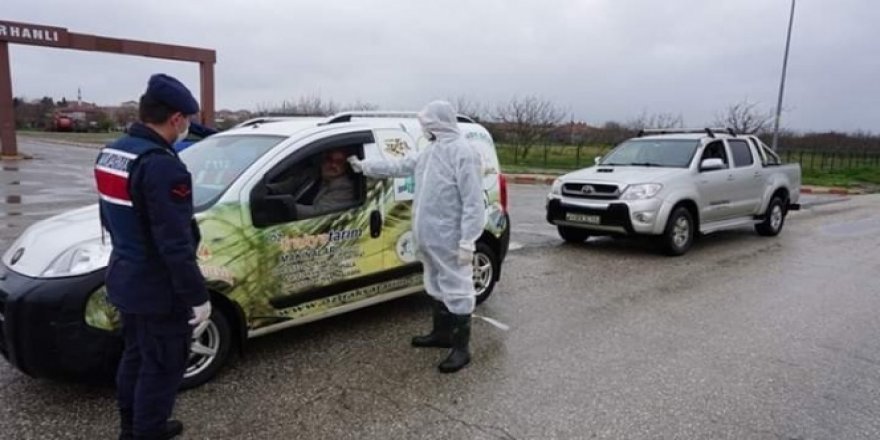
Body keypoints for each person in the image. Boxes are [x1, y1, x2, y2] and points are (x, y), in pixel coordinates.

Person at [94, 74, 211, 440]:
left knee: (135, 358)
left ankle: (132, 429)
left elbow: (109, 217)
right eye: (186, 120)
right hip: (158, 289)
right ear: (176, 119)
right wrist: (197, 296)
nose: (188, 127)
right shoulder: (163, 166)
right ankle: (148, 432)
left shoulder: (114, 152)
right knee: (162, 368)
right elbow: (173, 243)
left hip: (125, 278)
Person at [347, 100, 485, 373]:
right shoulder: (431, 151)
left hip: (451, 238)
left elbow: (473, 202)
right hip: (429, 236)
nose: (424, 128)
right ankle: (442, 334)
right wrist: (363, 167)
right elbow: (399, 166)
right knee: (435, 284)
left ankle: (461, 348)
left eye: (427, 124)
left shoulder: (463, 153)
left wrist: (468, 240)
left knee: (457, 288)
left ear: (438, 123)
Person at [296, 149, 356, 217]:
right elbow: (288, 184)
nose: (333, 165)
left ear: (346, 166)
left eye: (339, 162)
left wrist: (287, 206)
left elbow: (318, 212)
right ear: (323, 160)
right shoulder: (313, 173)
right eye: (329, 159)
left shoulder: (344, 187)